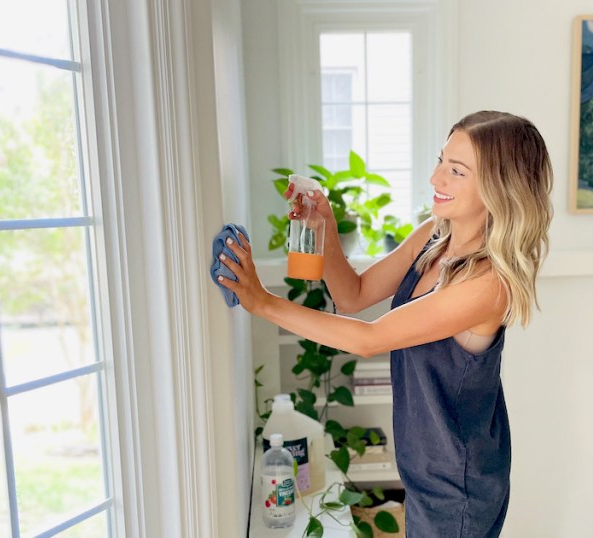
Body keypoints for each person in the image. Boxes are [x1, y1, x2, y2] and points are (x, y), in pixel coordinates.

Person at [217, 110, 553, 537]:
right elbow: (352, 296)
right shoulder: (435, 237)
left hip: (459, 486)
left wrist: (262, 302)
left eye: (456, 171)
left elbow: (369, 339)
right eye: (440, 161)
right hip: (429, 469)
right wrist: (326, 229)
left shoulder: (488, 283)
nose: (436, 179)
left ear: (499, 188)